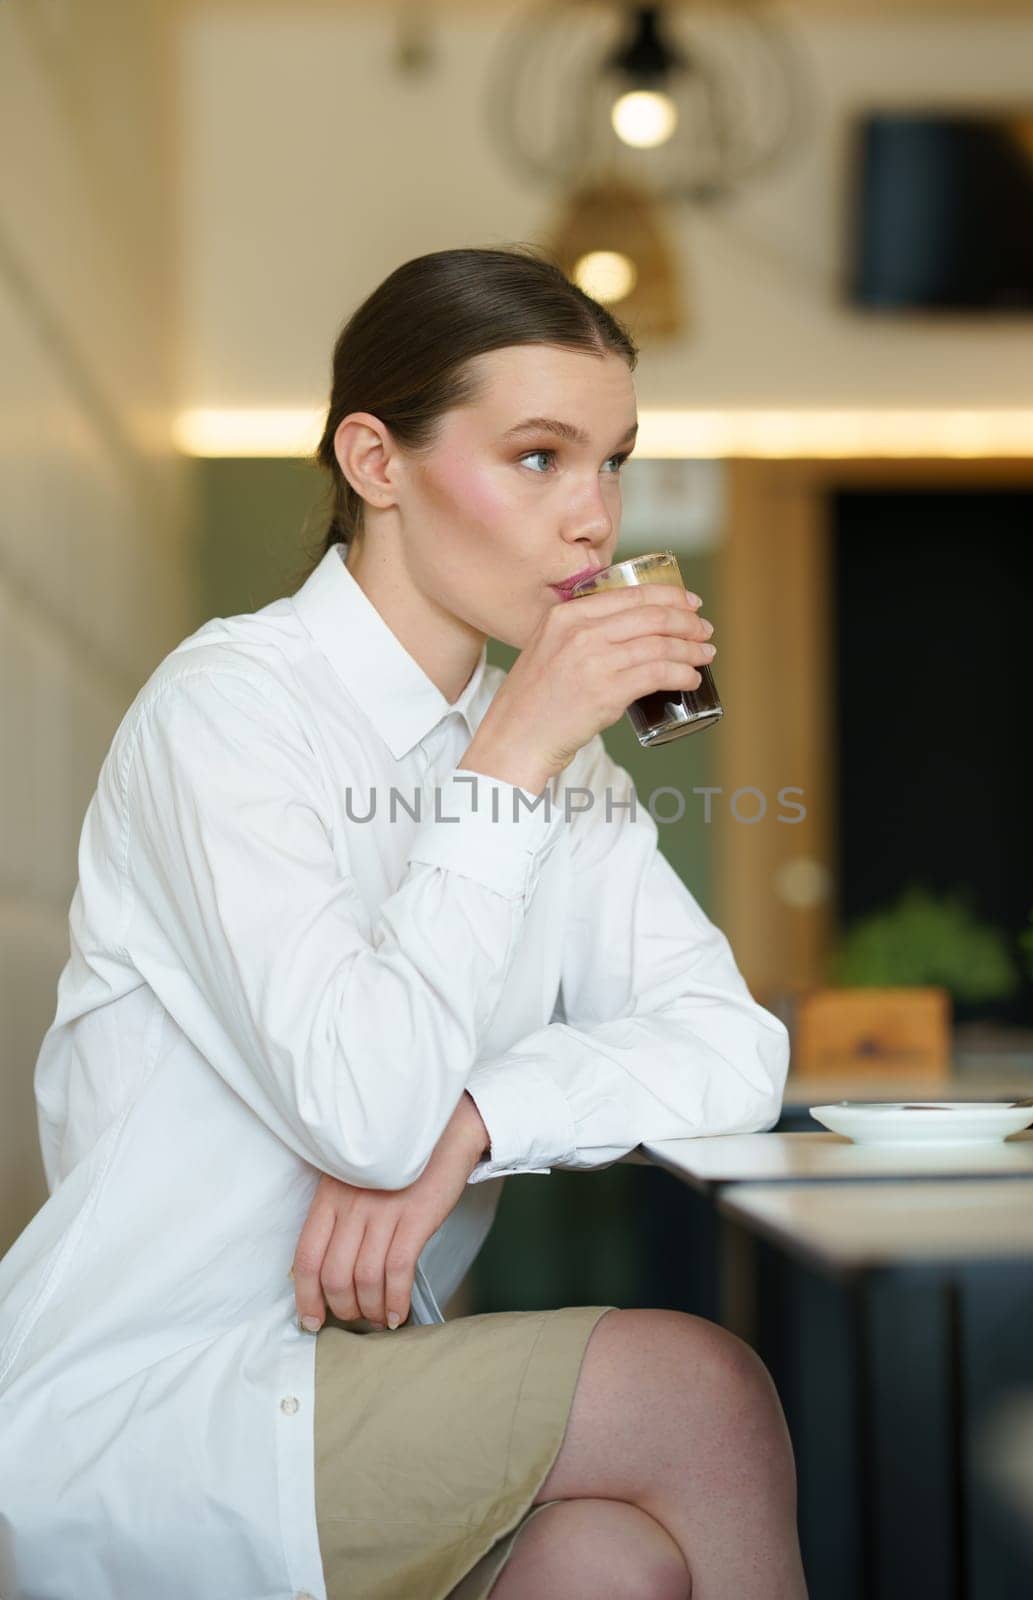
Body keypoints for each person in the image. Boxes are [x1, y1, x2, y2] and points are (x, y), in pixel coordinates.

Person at [0, 245, 806, 1600]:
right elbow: (364, 1112)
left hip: (362, 1374)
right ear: (374, 463)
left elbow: (733, 1051)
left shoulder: (561, 761)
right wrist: (511, 760)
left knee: (609, 1566)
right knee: (699, 1389)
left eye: (613, 461)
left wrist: (479, 1119)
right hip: (157, 1397)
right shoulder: (230, 713)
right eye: (540, 457)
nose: (594, 519)